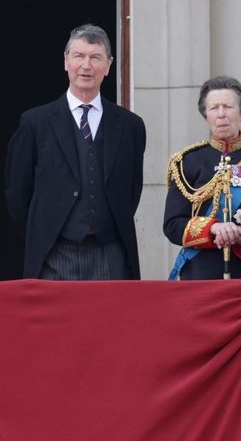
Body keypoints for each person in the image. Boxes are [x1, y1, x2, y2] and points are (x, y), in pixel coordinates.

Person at [5, 24, 146, 279]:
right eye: (79, 56)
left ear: (108, 65)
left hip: (111, 255)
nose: (86, 65)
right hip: (54, 256)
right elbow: (17, 193)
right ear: (66, 62)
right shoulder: (35, 123)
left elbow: (132, 191)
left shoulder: (130, 126)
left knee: (110, 320)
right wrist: (43, 231)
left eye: (95, 57)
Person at [164, 76, 241, 280]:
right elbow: (172, 225)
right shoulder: (187, 161)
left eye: (228, 107)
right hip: (201, 273)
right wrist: (213, 228)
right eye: (214, 108)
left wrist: (240, 234)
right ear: (205, 115)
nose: (221, 114)